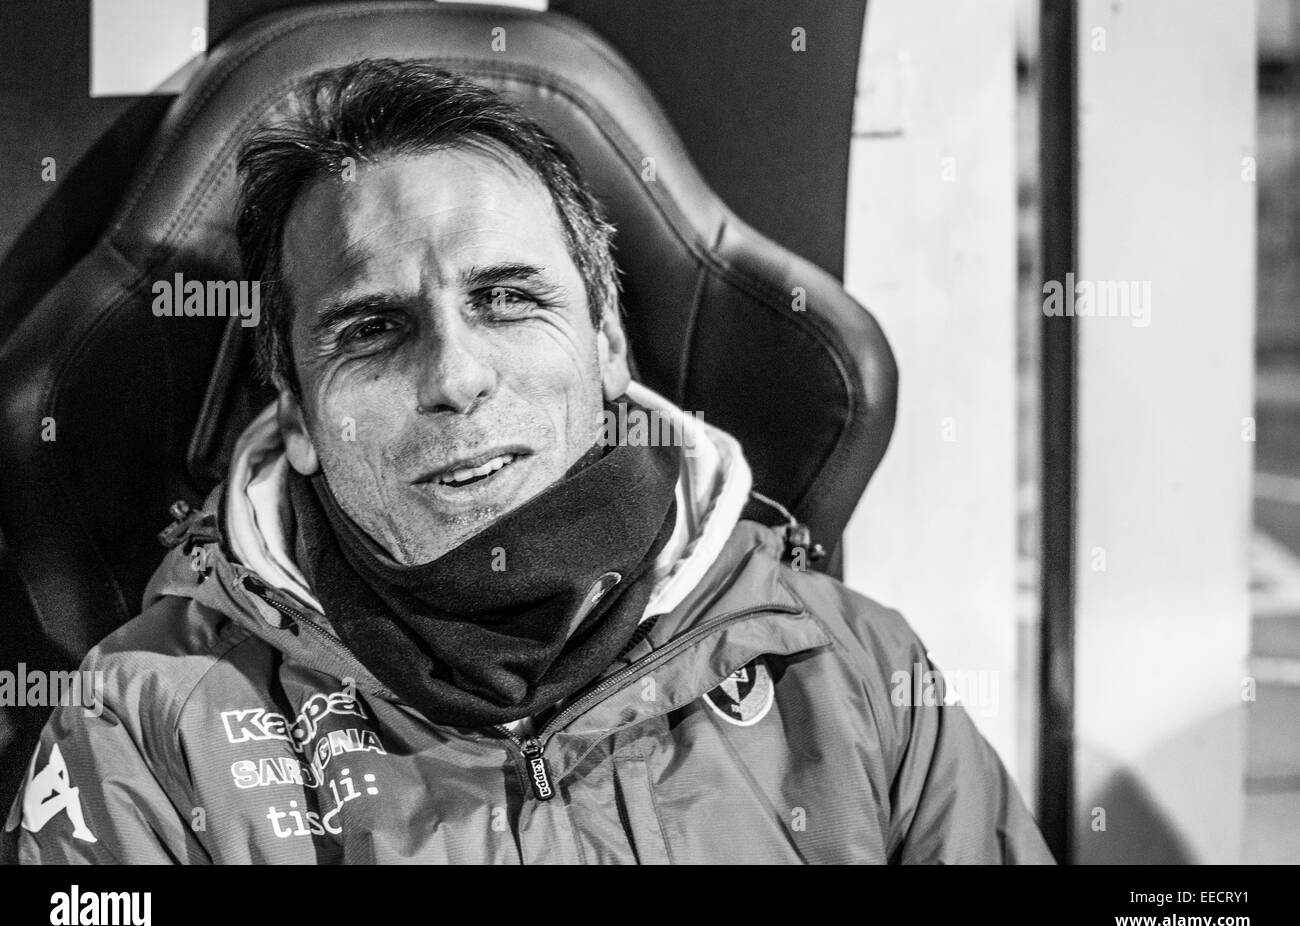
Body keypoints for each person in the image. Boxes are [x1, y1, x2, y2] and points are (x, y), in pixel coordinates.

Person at [4, 59, 1053, 864]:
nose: (456, 377)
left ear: (606, 348)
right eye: (372, 328)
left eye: (509, 298)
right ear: (299, 412)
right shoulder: (144, 725)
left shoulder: (859, 676)